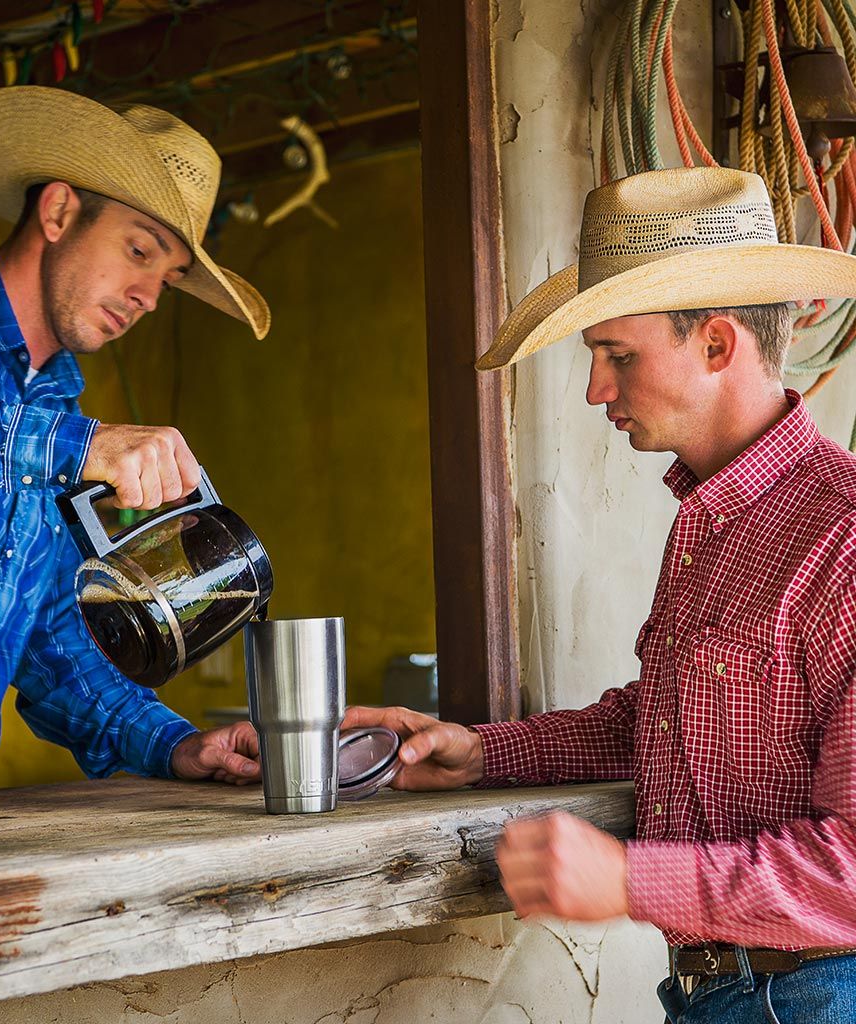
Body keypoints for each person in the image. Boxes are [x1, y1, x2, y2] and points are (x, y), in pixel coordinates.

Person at [345, 166, 856, 1022]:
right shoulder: (714, 519)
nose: (595, 390)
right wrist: (486, 753)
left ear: (718, 345)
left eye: (617, 355)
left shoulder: (841, 540)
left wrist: (627, 878)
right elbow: (665, 721)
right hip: (728, 991)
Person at [0, 86, 271, 804]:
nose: (149, 296)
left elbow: (51, 634)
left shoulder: (55, 409)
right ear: (61, 211)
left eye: (166, 279)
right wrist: (71, 443)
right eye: (139, 251)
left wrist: (174, 744)